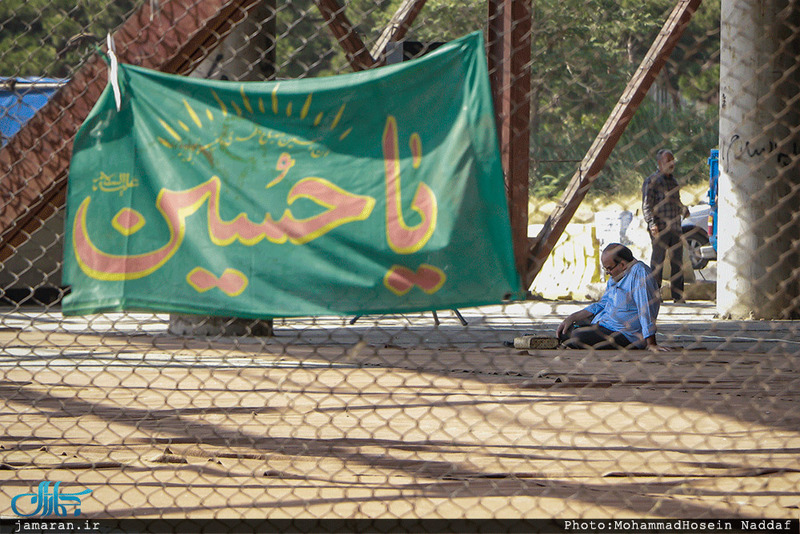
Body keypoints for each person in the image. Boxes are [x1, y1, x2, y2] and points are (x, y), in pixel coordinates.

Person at [556, 243, 667, 351]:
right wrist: (571, 318)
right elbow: (602, 304)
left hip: (626, 334)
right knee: (566, 331)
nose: (608, 273)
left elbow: (645, 309)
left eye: (609, 268)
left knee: (577, 336)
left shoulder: (640, 273)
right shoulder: (616, 276)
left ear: (622, 264)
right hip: (605, 324)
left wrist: (651, 343)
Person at [641, 149, 690, 303]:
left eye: (672, 160)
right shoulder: (652, 181)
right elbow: (647, 205)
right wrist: (651, 224)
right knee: (658, 262)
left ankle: (678, 295)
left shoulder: (673, 181)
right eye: (668, 160)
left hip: (675, 227)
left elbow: (676, 202)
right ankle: (655, 295)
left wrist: (683, 209)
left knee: (677, 262)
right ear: (659, 163)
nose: (671, 163)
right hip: (660, 228)